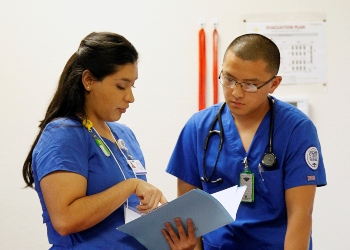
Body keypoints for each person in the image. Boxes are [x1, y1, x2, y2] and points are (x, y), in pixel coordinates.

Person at [22, 32, 196, 250]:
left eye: (133, 86)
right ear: (88, 80)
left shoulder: (125, 135)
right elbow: (65, 220)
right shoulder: (64, 134)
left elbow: (125, 215)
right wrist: (130, 186)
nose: (130, 97)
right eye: (121, 86)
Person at [166, 33, 327, 250]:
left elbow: (301, 214)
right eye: (229, 79)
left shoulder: (296, 129)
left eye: (250, 85)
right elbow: (188, 216)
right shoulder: (198, 128)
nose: (236, 92)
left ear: (274, 84)